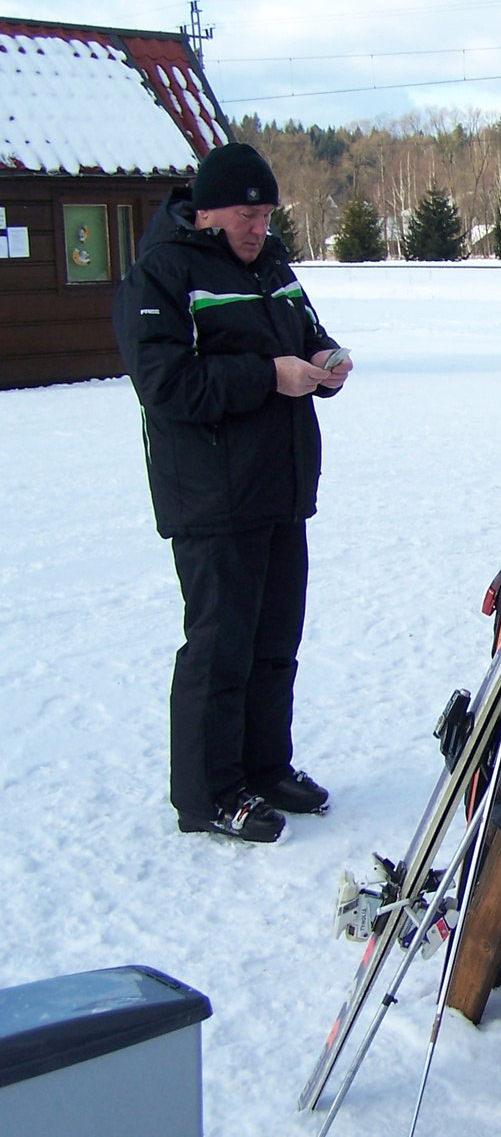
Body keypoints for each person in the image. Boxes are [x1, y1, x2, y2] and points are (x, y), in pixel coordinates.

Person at [115, 143, 348, 844]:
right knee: (220, 648)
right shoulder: (162, 273)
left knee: (275, 641)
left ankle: (265, 767)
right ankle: (209, 793)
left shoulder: (272, 266)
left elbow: (307, 331)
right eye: (248, 214)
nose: (259, 228)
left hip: (279, 484)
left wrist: (325, 359)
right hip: (211, 497)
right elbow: (166, 385)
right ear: (208, 210)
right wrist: (266, 377)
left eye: (268, 214)